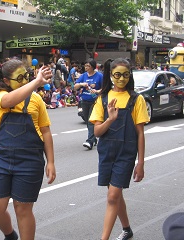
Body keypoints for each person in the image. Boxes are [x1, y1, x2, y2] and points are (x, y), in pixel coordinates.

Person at [0, 59, 56, 240]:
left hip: (30, 160)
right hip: (1, 158)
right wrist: (36, 82)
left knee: (23, 208)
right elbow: (9, 100)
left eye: (27, 76)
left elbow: (46, 131)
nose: (25, 80)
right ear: (6, 81)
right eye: (20, 78)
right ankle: (10, 235)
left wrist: (51, 162)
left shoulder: (36, 99)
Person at [89, 58, 150, 240]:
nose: (121, 79)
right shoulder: (103, 99)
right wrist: (110, 119)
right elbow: (97, 132)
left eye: (125, 74)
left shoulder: (136, 99)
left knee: (112, 196)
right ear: (111, 75)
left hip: (126, 154)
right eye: (117, 75)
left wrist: (141, 163)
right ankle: (127, 229)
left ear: (129, 75)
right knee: (115, 195)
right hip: (107, 152)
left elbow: (140, 133)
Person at [74, 58, 103, 150]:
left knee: (91, 121)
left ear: (93, 67)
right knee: (87, 120)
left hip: (95, 101)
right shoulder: (83, 76)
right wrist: (82, 84)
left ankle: (89, 141)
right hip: (84, 100)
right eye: (85, 66)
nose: (86, 67)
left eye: (88, 66)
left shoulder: (99, 76)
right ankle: (93, 138)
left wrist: (97, 91)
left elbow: (104, 88)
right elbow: (75, 86)